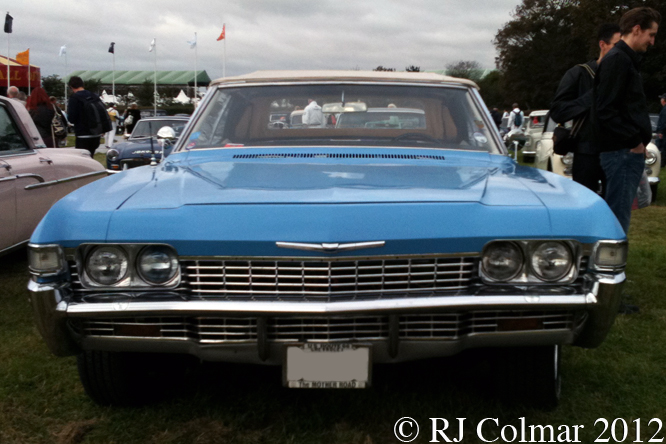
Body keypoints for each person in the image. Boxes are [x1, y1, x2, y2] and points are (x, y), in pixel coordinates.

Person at [594, 7, 660, 235]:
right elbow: (605, 109)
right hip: (621, 152)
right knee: (617, 217)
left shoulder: (625, 60)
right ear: (636, 29)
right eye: (651, 35)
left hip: (625, 151)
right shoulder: (618, 60)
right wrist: (635, 142)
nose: (652, 42)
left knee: (620, 214)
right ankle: (611, 269)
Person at [550, 24, 621, 196]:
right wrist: (594, 95)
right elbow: (558, 111)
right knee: (584, 204)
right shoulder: (580, 74)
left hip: (617, 153)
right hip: (586, 153)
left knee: (616, 209)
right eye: (616, 46)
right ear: (602, 45)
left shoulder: (626, 76)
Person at [67, 76, 103, 155]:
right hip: (96, 133)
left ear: (71, 87)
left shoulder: (74, 98)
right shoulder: (94, 96)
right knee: (91, 156)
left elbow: (71, 118)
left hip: (82, 134)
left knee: (82, 159)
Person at [657, 93, 666, 166]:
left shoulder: (664, 109)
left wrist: (660, 131)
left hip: (664, 132)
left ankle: (662, 163)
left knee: (662, 147)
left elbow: (663, 122)